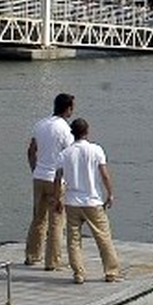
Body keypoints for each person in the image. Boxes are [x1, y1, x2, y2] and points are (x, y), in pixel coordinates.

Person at [53, 117, 122, 284]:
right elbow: (104, 174)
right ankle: (111, 272)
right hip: (93, 201)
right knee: (103, 237)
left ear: (72, 133)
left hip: (72, 202)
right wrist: (110, 194)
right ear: (87, 132)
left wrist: (57, 199)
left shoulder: (64, 154)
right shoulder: (96, 150)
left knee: (74, 240)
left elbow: (57, 178)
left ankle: (78, 273)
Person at [25, 93, 74, 269]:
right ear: (68, 109)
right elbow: (69, 157)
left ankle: (32, 255)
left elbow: (31, 151)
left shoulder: (40, 124)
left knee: (38, 218)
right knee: (56, 221)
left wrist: (35, 170)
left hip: (39, 177)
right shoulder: (65, 130)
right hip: (56, 180)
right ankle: (52, 261)